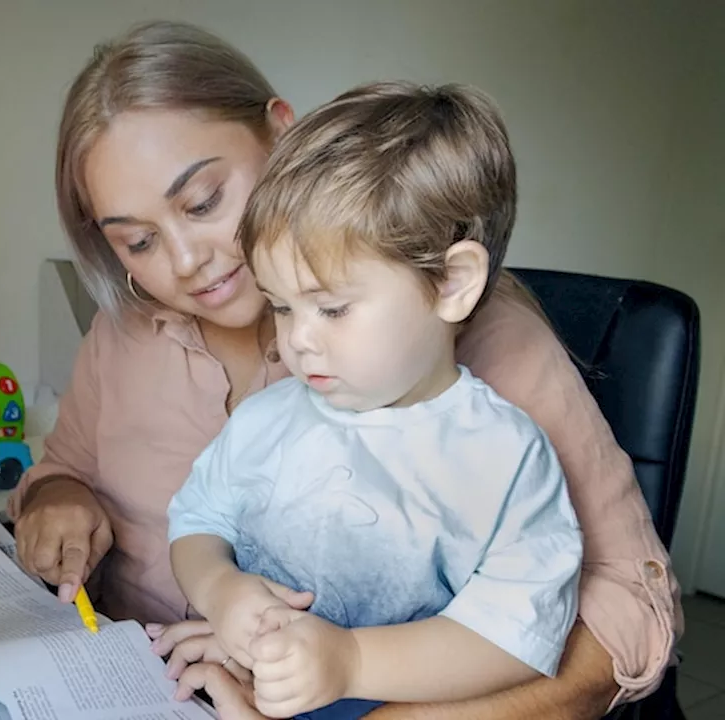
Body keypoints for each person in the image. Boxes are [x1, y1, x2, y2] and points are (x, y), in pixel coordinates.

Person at [8, 19, 682, 719]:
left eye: (204, 201)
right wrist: (59, 493)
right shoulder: (125, 335)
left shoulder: (481, 361)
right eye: (138, 241)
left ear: (280, 133)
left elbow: (621, 610)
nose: (184, 261)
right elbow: (87, 477)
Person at [165, 81, 584, 720]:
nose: (297, 341)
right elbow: (198, 522)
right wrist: (220, 589)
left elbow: (517, 639)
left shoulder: (503, 459)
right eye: (282, 305)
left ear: (451, 283)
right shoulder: (270, 418)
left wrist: (352, 661)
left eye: (332, 307)